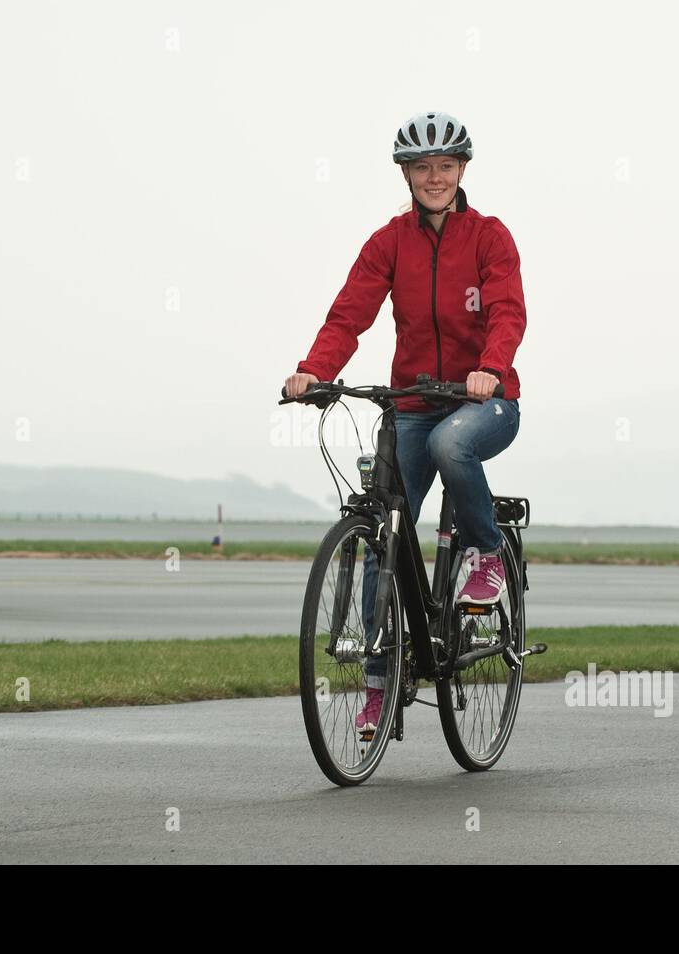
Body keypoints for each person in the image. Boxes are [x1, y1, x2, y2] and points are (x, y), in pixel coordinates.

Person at [284, 111, 526, 735]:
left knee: (453, 444)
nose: (434, 177)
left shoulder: (490, 237)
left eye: (445, 166)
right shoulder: (389, 242)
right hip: (413, 403)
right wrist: (314, 370)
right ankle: (377, 681)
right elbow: (349, 315)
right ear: (406, 175)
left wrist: (490, 369)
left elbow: (507, 313)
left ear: (462, 171)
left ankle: (487, 555)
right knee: (381, 534)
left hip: (484, 403)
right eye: (422, 168)